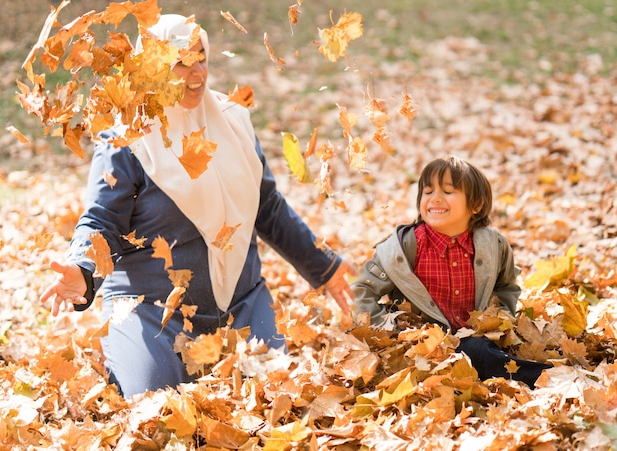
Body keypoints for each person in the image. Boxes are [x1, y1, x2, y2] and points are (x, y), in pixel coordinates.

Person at [39, 14, 355, 398]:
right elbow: (103, 220)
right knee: (155, 411)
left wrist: (325, 267)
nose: (196, 72)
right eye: (180, 62)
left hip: (242, 304)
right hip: (152, 311)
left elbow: (267, 206)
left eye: (201, 57)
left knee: (277, 402)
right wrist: (82, 268)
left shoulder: (234, 120)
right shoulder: (125, 137)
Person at [351, 155, 552, 388]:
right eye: (427, 192)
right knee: (476, 358)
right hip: (421, 351)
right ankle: (542, 377)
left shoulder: (493, 246)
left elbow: (506, 286)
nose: (435, 198)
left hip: (474, 340)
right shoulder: (404, 248)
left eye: (447, 192)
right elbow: (361, 289)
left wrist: (499, 320)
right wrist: (390, 332)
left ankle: (543, 377)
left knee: (479, 352)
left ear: (475, 206)